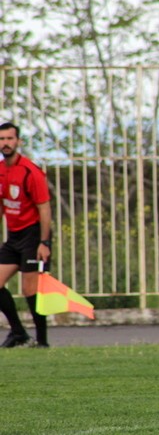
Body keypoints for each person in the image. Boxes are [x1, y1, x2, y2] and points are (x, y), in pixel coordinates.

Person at [0, 122, 52, 348]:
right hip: (14, 236)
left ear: (18, 141)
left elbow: (44, 208)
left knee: (30, 289)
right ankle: (19, 333)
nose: (6, 143)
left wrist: (44, 242)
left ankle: (42, 341)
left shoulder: (30, 171)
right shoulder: (1, 170)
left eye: (10, 139)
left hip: (33, 235)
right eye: (2, 139)